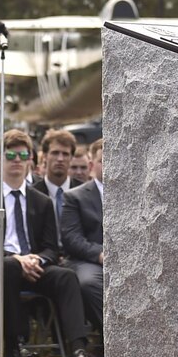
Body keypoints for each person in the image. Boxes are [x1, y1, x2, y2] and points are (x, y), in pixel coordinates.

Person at [0, 129, 97, 357]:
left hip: (37, 267)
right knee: (7, 267)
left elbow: (51, 247)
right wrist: (17, 259)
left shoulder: (42, 201)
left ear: (31, 159)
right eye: (10, 155)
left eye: (22, 155)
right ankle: (14, 346)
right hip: (2, 266)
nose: (16, 160)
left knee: (66, 276)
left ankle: (78, 349)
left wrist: (35, 260)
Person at [59, 138, 106, 331]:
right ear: (92, 165)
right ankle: (117, 342)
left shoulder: (133, 195)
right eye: (104, 159)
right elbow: (71, 238)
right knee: (89, 284)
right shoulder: (75, 197)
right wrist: (101, 254)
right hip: (88, 261)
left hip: (127, 262)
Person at [30, 129, 78, 233]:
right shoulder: (31, 194)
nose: (60, 159)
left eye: (65, 154)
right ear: (45, 156)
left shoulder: (83, 193)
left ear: (71, 158)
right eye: (55, 153)